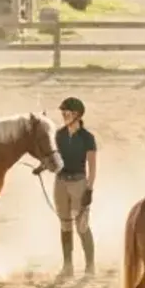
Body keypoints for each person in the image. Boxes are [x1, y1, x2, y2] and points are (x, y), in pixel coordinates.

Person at [53, 96, 97, 277]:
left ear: (77, 115)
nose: (64, 115)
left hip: (78, 182)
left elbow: (92, 166)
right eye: (63, 112)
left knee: (82, 225)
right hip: (61, 182)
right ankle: (67, 265)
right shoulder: (59, 134)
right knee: (64, 224)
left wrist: (89, 189)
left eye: (67, 112)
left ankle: (89, 265)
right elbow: (55, 157)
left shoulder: (87, 138)